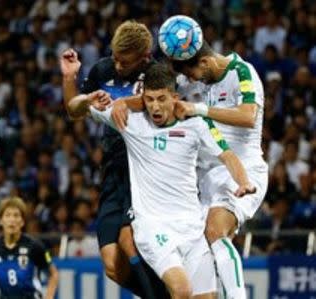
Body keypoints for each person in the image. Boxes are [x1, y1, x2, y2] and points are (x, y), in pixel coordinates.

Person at [69, 63, 256, 298]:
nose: (155, 107)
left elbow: (227, 155)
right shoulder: (129, 121)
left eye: (161, 99)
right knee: (181, 289)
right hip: (153, 227)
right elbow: (73, 109)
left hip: (192, 229)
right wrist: (86, 99)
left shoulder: (196, 123)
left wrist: (243, 182)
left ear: (175, 98)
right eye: (149, 99)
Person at [112, 38, 268, 299]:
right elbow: (159, 96)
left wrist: (197, 108)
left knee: (216, 231)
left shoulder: (241, 71)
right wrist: (124, 103)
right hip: (206, 175)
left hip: (242, 167)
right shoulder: (190, 81)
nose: (188, 79)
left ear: (205, 62)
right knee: (201, 251)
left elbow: (248, 116)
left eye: (190, 71)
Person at [60, 20, 165, 298]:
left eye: (126, 62)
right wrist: (70, 79)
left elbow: (159, 104)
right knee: (111, 263)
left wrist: (122, 103)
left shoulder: (157, 75)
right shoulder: (103, 69)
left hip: (145, 171)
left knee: (128, 240)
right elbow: (74, 110)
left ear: (144, 57)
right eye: (116, 58)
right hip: (112, 169)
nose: (118, 66)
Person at [0, 196, 58, 299]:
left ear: (22, 222)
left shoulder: (35, 246)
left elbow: (53, 274)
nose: (12, 220)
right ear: (1, 221)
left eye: (16, 216)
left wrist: (49, 297)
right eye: (7, 215)